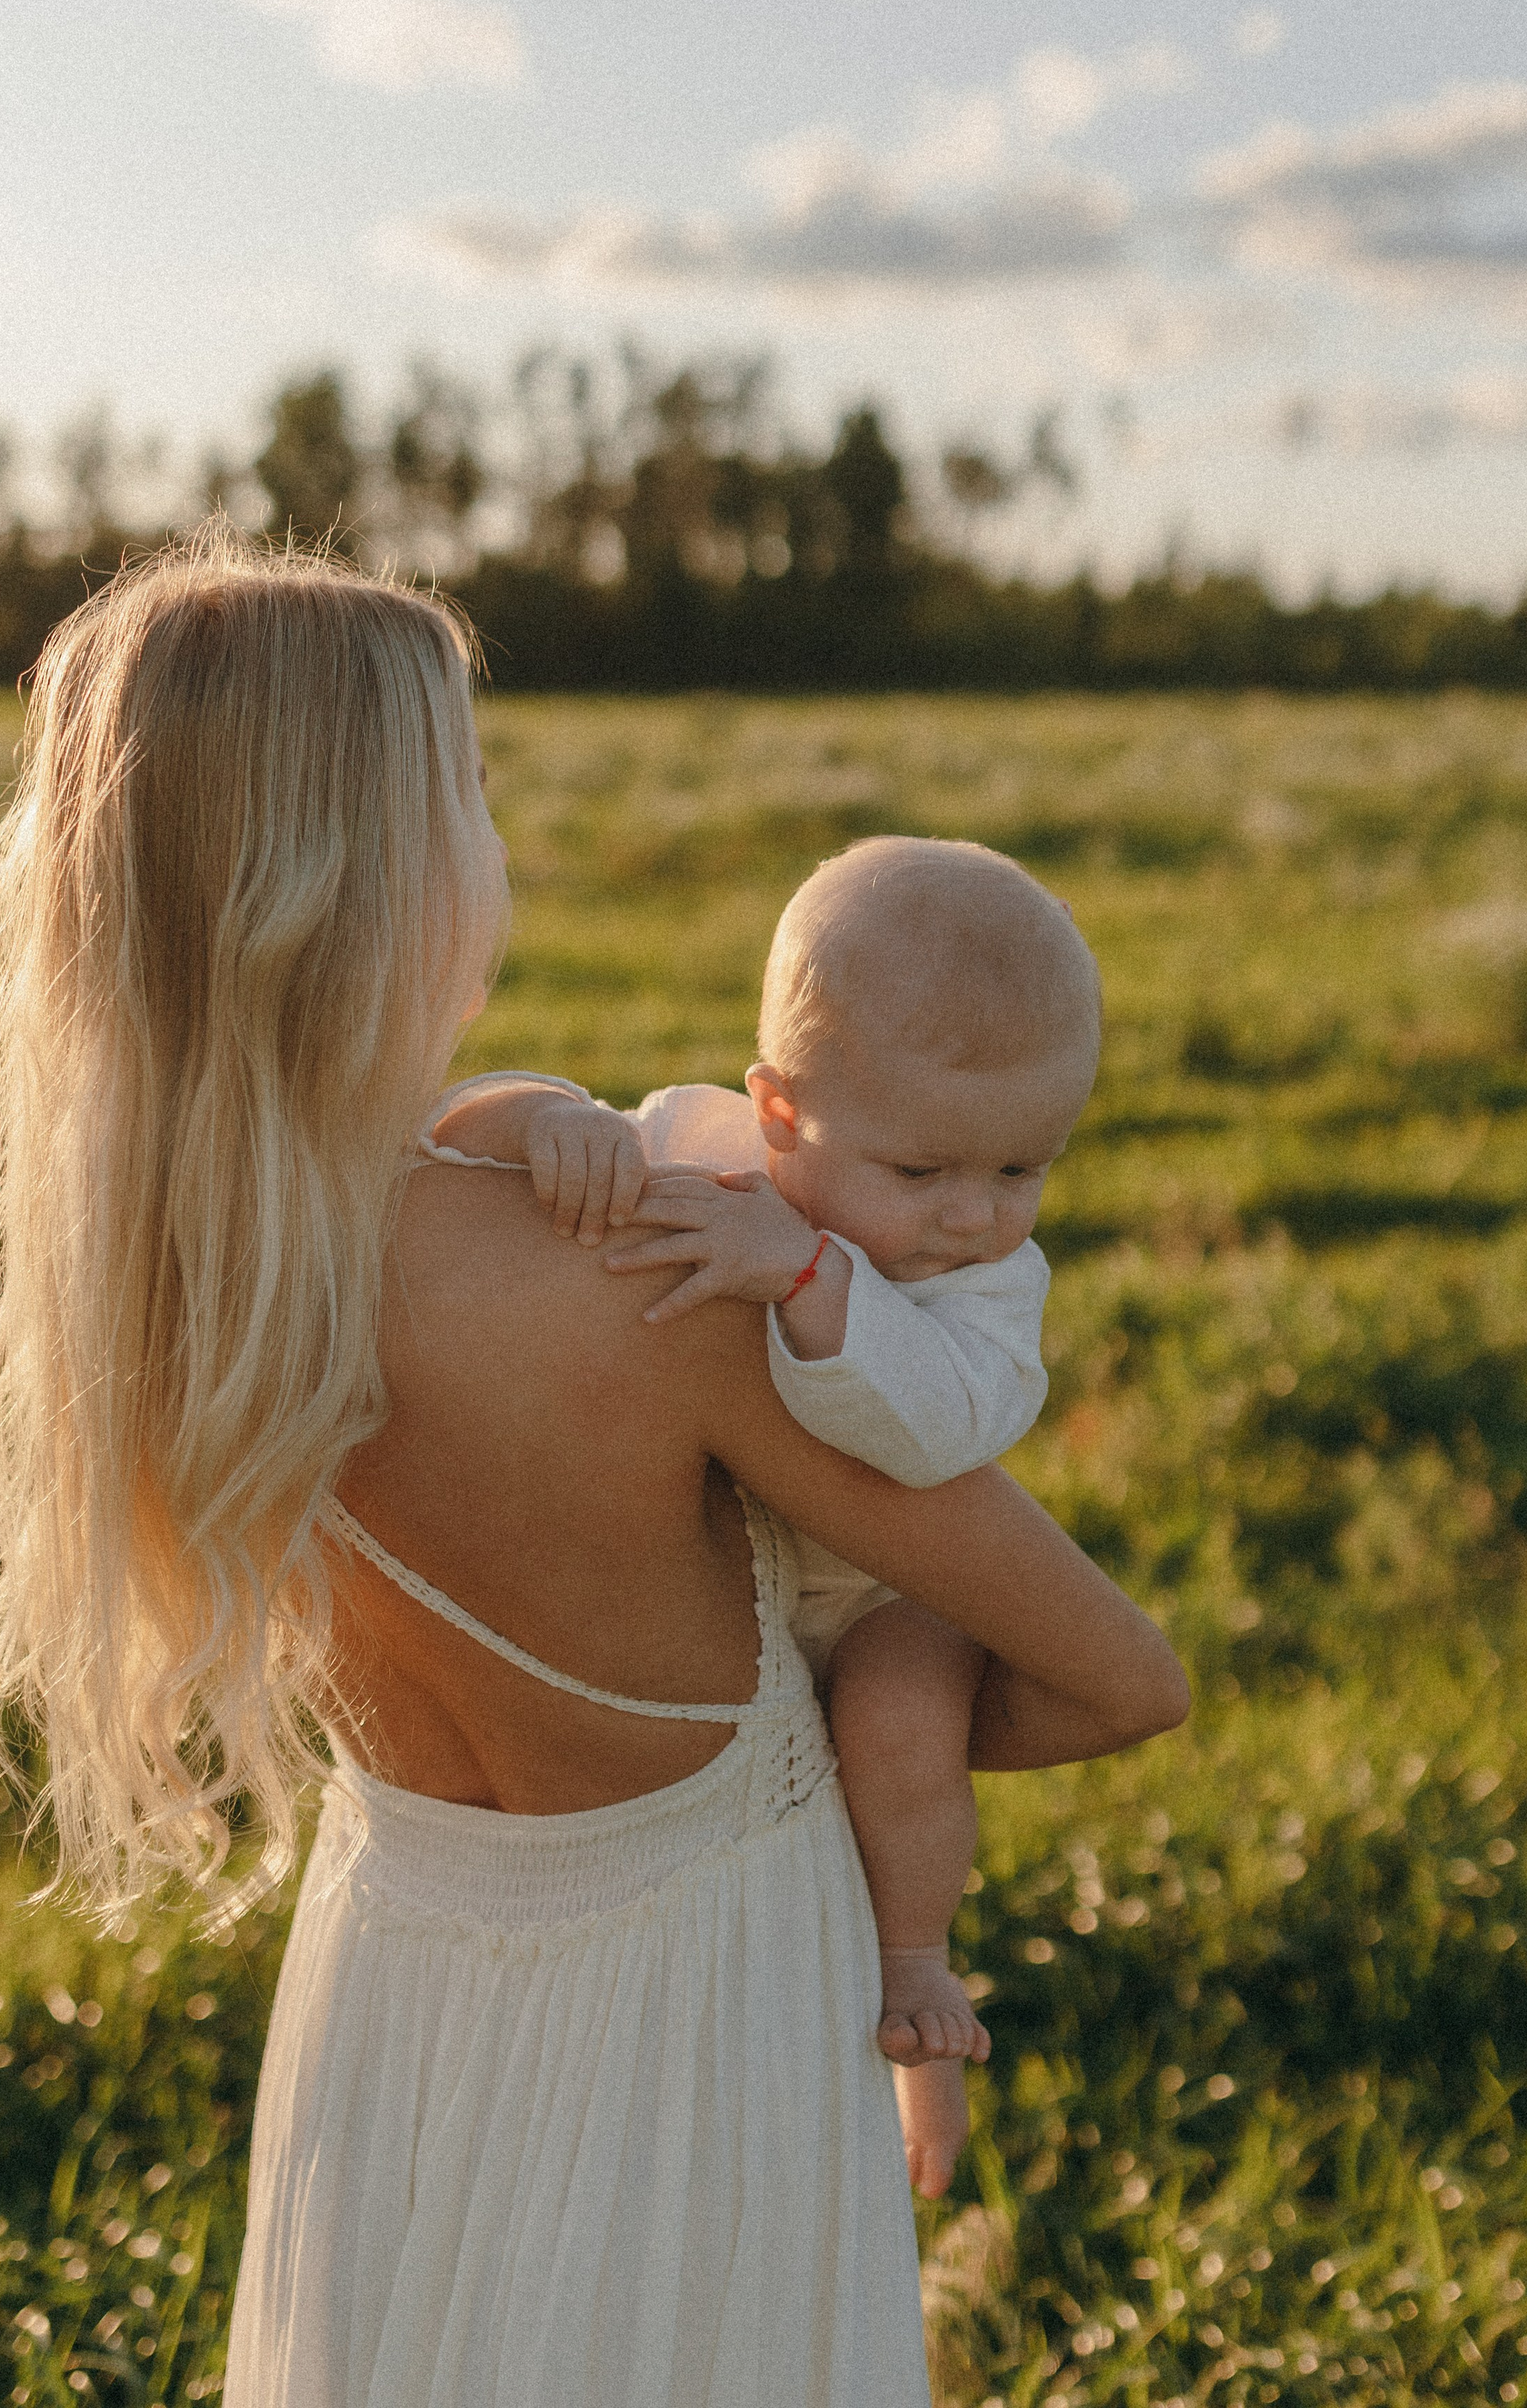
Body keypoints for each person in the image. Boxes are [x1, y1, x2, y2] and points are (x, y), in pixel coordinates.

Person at [0, 532, 1188, 2408]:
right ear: (370, 871)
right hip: (699, 2007)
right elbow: (1119, 1674)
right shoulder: (643, 1277)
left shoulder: (176, 1277)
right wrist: (884, 1724)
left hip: (395, 1969)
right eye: (469, 788)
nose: (497, 843)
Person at [432, 835, 1100, 2194]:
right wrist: (540, 1118)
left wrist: (805, 1271)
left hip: (875, 1597)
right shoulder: (703, 1147)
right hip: (711, 1598)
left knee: (905, 1714)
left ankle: (916, 1975)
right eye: (923, 1175)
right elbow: (456, 1129)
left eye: (1025, 1169)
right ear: (782, 1116)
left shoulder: (984, 1284)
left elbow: (941, 1428)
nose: (976, 1215)